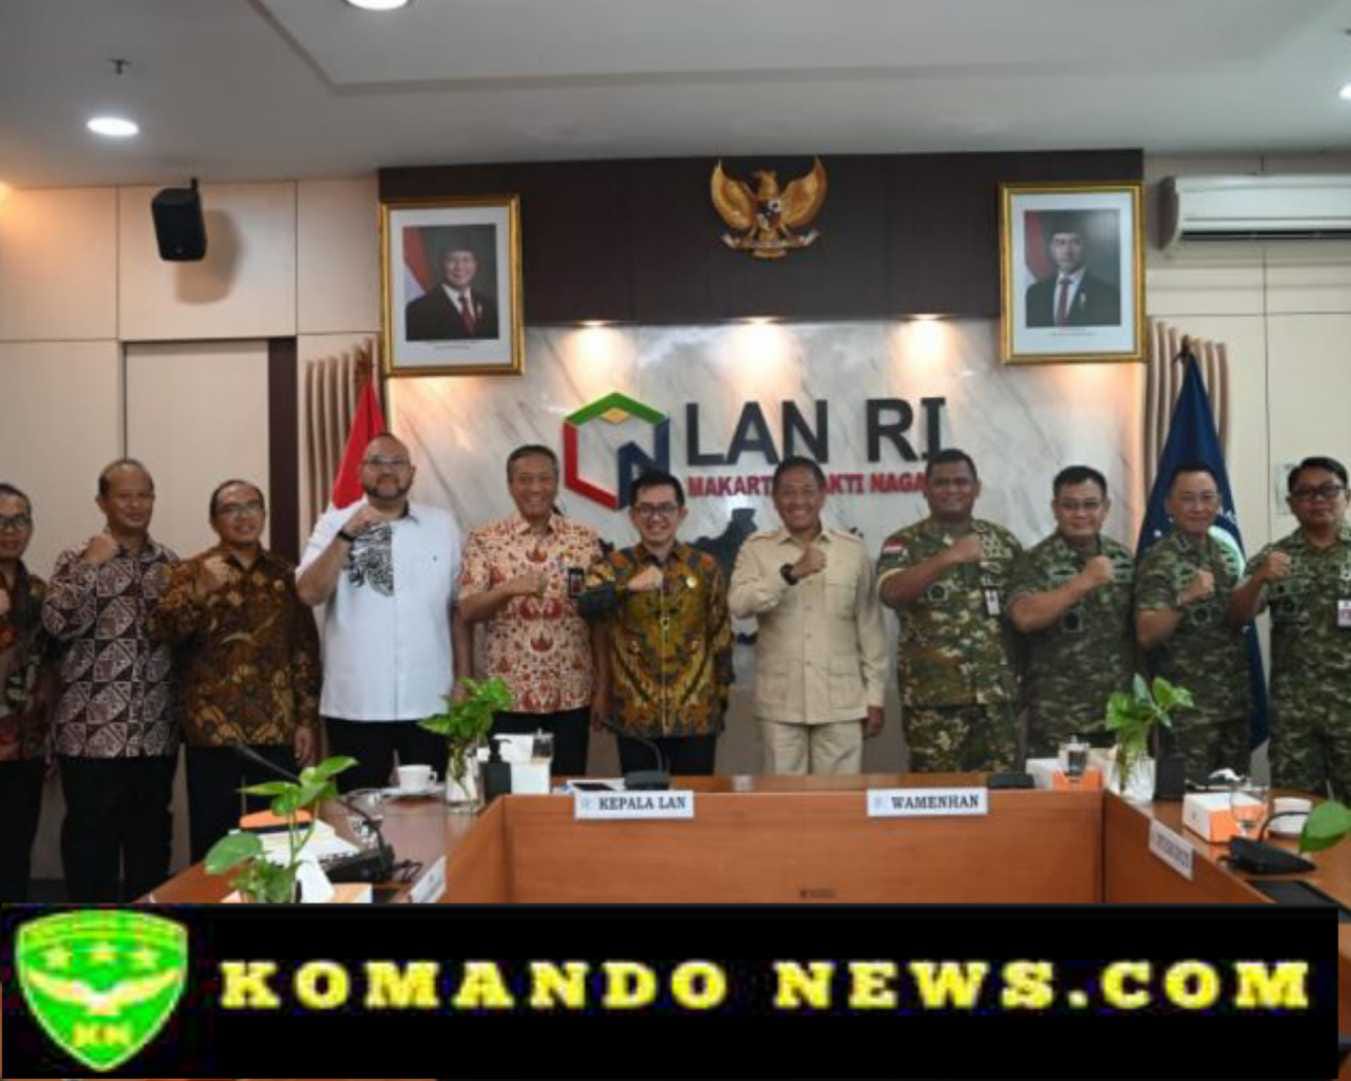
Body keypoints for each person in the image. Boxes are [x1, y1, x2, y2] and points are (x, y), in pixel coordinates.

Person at [149, 480, 321, 862]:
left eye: (252, 506)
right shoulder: (189, 571)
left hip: (276, 727)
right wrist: (198, 593)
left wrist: (306, 719)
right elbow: (165, 634)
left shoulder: (286, 574)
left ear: (264, 514)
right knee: (215, 846)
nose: (244, 516)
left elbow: (304, 650)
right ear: (214, 521)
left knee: (280, 842)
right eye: (231, 509)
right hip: (213, 730)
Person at [41, 459, 179, 902]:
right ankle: (90, 932)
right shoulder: (76, 557)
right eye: (124, 496)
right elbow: (55, 624)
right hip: (91, 735)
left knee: (150, 846)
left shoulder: (171, 565)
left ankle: (148, 932)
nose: (136, 505)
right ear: (102, 502)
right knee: (90, 848)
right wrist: (90, 566)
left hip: (154, 733)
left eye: (144, 495)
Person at [297, 434, 462, 792]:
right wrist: (346, 535)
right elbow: (309, 593)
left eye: (396, 463)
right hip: (357, 701)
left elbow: (459, 608)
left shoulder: (443, 525)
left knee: (431, 807)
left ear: (412, 473)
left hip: (429, 699)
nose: (387, 471)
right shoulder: (334, 523)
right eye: (376, 462)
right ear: (360, 471)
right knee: (360, 808)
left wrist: (462, 679)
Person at [729, 456, 886, 774]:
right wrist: (790, 574)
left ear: (823, 495)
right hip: (781, 705)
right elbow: (739, 605)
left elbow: (870, 628)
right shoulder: (757, 549)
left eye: (807, 491)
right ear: (774, 499)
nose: (798, 500)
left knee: (839, 798)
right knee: (784, 798)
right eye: (788, 492)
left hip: (842, 703)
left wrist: (875, 696)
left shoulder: (852, 550)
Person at [458, 445, 604, 776]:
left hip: (572, 694)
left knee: (566, 790)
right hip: (506, 697)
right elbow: (467, 610)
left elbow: (598, 619)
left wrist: (603, 688)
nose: (535, 488)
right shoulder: (485, 540)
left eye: (544, 479)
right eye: (525, 479)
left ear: (557, 483)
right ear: (510, 485)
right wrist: (507, 589)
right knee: (509, 791)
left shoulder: (584, 540)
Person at [577, 469, 733, 776]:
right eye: (646, 509)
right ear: (633, 516)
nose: (656, 517)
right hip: (635, 718)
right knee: (642, 803)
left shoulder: (705, 567)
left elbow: (721, 637)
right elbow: (585, 605)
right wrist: (627, 588)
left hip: (696, 717)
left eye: (665, 508)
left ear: (681, 514)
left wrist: (720, 702)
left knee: (695, 801)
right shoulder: (614, 566)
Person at [876, 449, 1022, 772]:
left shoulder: (1003, 541)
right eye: (941, 483)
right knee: (935, 793)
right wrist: (949, 557)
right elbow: (891, 593)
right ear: (924, 489)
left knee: (1001, 793)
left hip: (996, 699)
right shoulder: (904, 542)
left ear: (977, 488)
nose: (952, 490)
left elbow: (1021, 612)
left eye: (961, 482)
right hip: (933, 701)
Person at [1229, 456, 1351, 797]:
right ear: (1291, 504)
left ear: (1347, 496)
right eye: (1306, 493)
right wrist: (1259, 579)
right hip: (1296, 718)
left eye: (1328, 490)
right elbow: (1237, 617)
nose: (1318, 499)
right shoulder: (1275, 556)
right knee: (1295, 811)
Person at [1007, 466, 1137, 758]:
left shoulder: (1123, 558)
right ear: (1055, 508)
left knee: (1120, 788)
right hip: (1058, 720)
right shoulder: (1034, 561)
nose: (1080, 514)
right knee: (1058, 790)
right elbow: (1024, 617)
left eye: (1090, 505)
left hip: (1119, 715)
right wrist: (1083, 582)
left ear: (1106, 508)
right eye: (1070, 505)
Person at [1135, 462, 1252, 779]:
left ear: (1219, 502)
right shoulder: (1159, 559)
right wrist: (1184, 598)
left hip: (1233, 703)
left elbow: (1237, 620)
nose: (1198, 507)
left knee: (1234, 796)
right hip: (1186, 711)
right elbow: (1146, 634)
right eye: (1187, 498)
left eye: (1207, 497)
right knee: (1185, 799)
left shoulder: (1226, 553)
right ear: (1168, 505)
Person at [0, 484, 53, 901]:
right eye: (1, 522)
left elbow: (50, 667)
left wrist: (49, 736)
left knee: (16, 851)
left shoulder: (37, 590)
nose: (10, 530)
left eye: (19, 521)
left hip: (26, 746)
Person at [1025, 212, 1121, 328]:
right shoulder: (1035, 293)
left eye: (1075, 242)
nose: (1067, 251)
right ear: (1051, 248)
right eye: (1060, 243)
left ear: (1086, 246)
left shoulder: (1107, 295)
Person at [405, 243, 499, 341]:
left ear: (475, 265)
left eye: (466, 260)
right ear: (441, 265)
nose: (459, 267)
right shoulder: (418, 309)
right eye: (452, 260)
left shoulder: (488, 304)